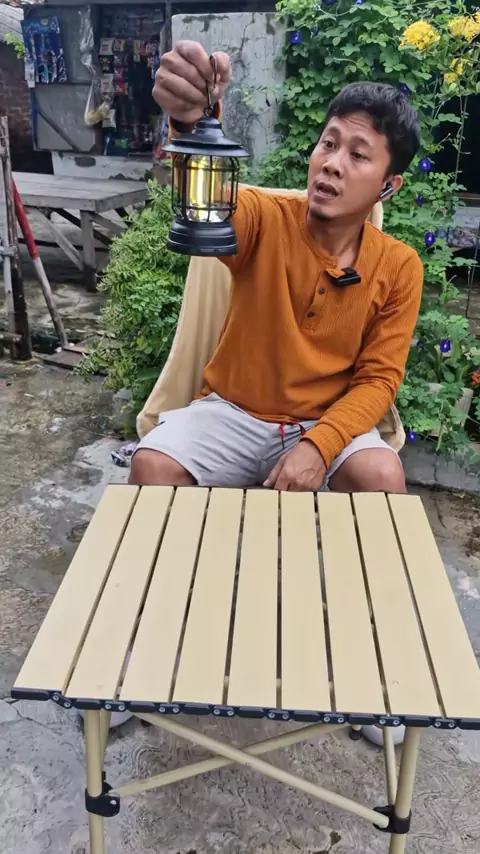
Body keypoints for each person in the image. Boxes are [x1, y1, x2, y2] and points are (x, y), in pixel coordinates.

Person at [130, 41, 423, 498]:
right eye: (329, 143)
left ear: (388, 186)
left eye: (358, 155)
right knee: (151, 464)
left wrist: (320, 445)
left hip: (326, 417)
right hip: (234, 413)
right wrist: (191, 122)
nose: (332, 164)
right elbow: (211, 204)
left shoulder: (399, 266)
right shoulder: (264, 217)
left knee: (381, 476)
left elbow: (378, 379)